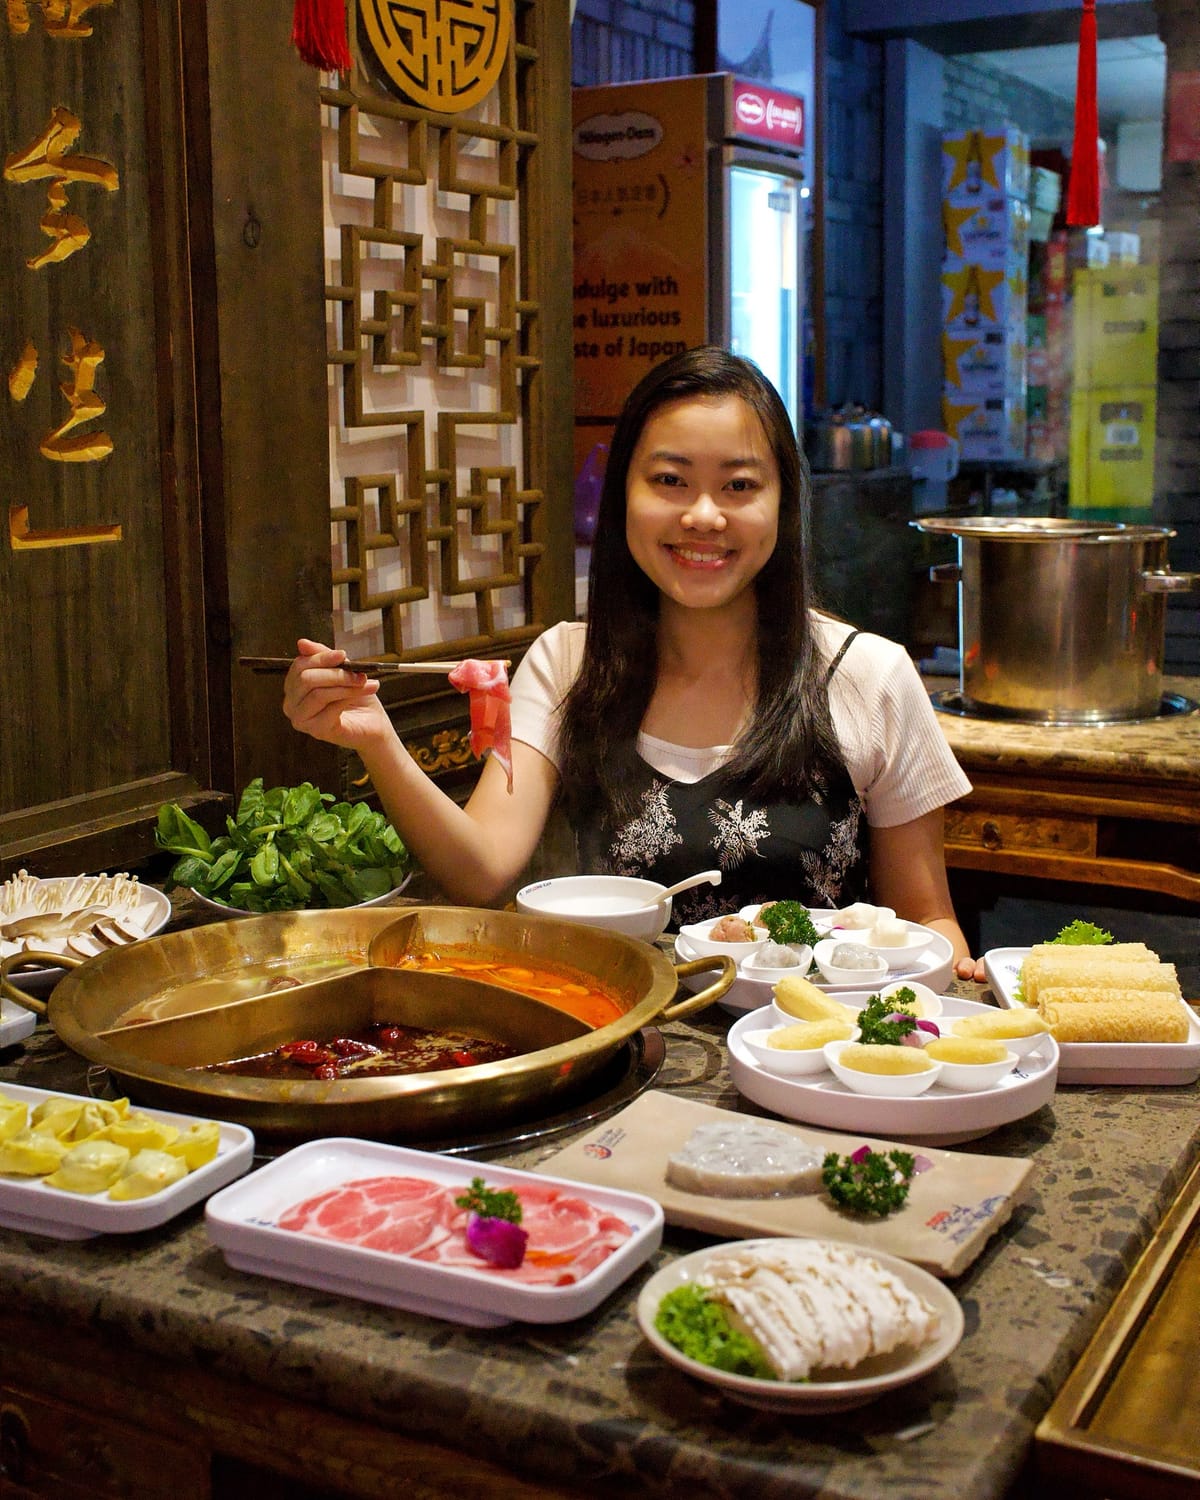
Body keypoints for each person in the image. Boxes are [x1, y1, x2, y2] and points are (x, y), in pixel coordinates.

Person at [283, 346, 984, 979]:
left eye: (739, 486)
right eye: (670, 480)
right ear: (624, 496)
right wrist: (377, 741)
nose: (704, 515)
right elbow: (483, 870)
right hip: (625, 1052)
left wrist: (963, 986)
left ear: (784, 502)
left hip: (812, 1055)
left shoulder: (870, 677)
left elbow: (927, 921)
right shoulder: (566, 662)